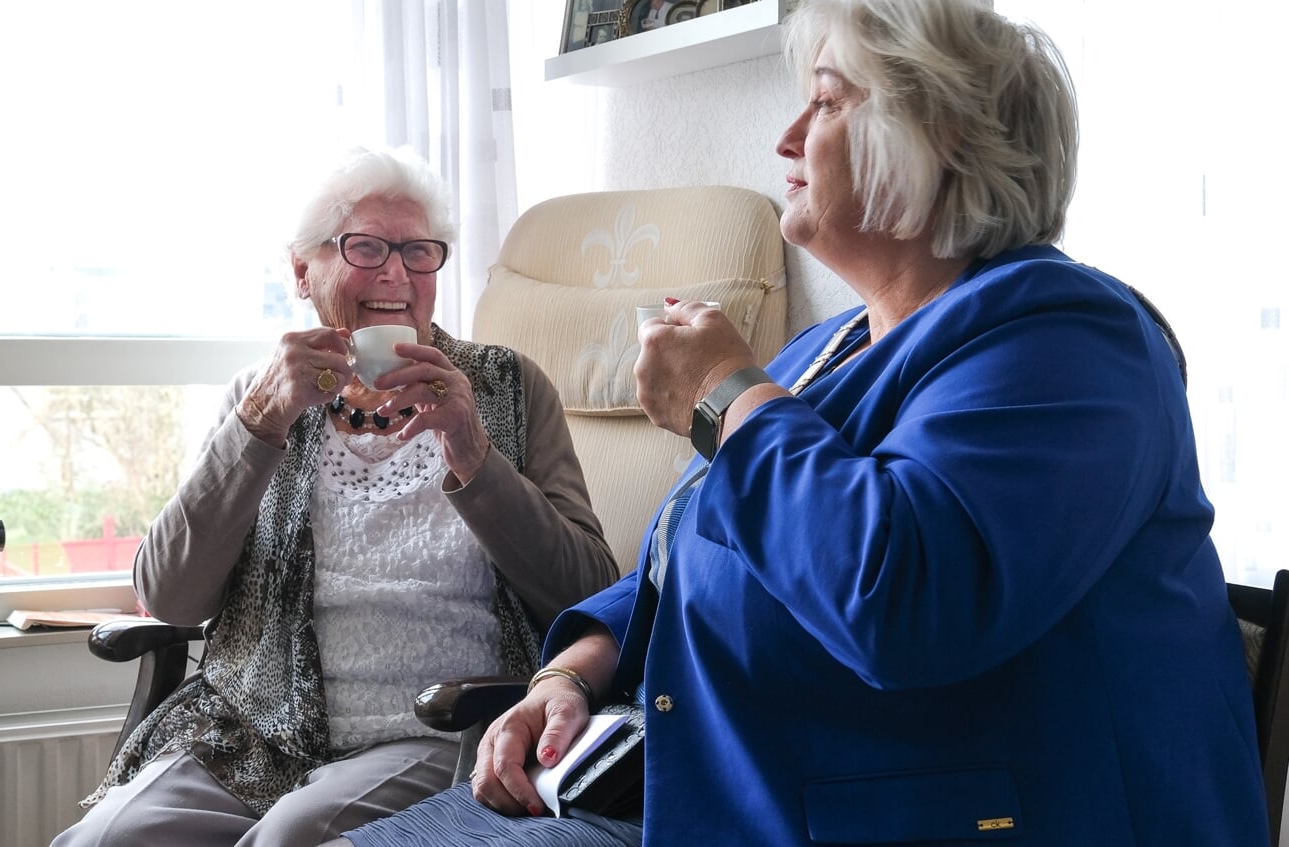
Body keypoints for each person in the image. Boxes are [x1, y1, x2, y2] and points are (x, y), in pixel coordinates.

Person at [329, 1, 1270, 845]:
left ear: (938, 132)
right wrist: (568, 675)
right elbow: (674, 557)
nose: (785, 138)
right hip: (713, 790)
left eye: (823, 103)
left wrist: (729, 395)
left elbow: (903, 597)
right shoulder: (820, 351)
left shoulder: (1070, 338)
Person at [51, 146, 619, 846]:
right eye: (366, 247)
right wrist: (258, 423)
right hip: (255, 731)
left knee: (293, 835)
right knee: (103, 840)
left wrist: (473, 454)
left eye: (419, 251)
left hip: (434, 728)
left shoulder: (504, 389)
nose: (396, 273)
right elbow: (170, 595)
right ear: (301, 270)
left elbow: (587, 592)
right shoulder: (261, 396)